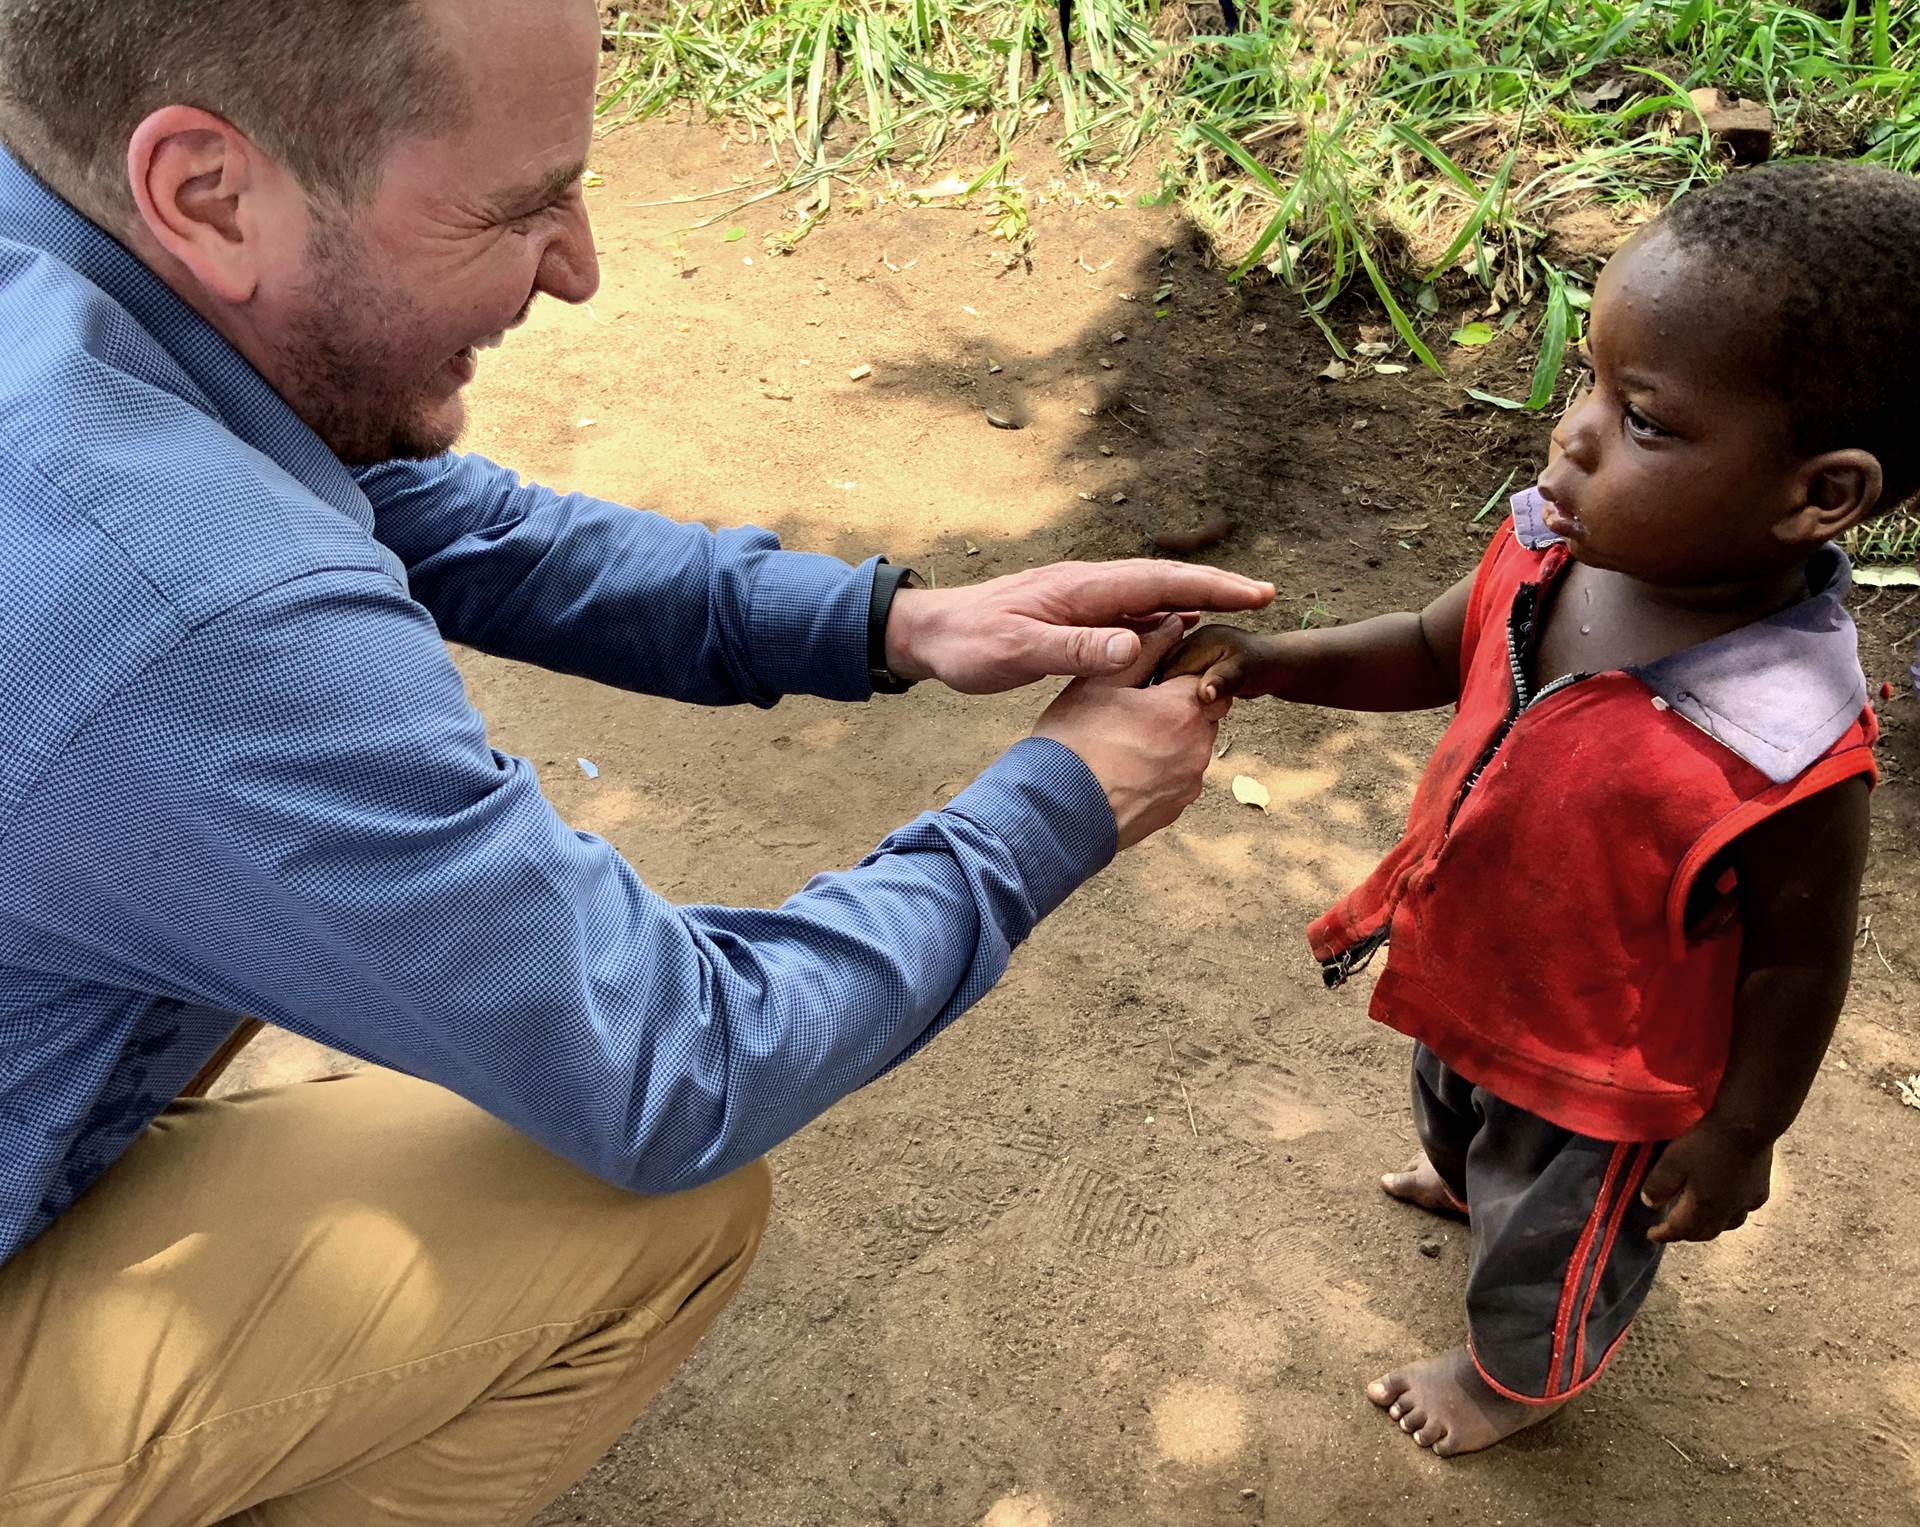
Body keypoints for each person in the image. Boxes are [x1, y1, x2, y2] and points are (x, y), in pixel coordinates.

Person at [0, 1, 1276, 1521]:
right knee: (647, 1215)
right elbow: (675, 1064)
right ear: (206, 191)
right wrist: (1052, 814)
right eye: (518, 204)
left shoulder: (75, 269)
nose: (583, 267)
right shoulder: (192, 607)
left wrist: (897, 625)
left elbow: (436, 516)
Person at [1164, 159, 1919, 1456]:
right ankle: (1468, 1182)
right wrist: (1276, 663)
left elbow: (1801, 962)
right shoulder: (1550, 548)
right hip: (1478, 969)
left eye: (1645, 418)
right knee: (1453, 1112)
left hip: (1607, 1071)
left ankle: (1521, 1375)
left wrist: (1741, 1134)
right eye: (1589, 382)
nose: (1574, 432)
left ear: (1822, 495)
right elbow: (1423, 645)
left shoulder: (1785, 744)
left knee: (1562, 1241)